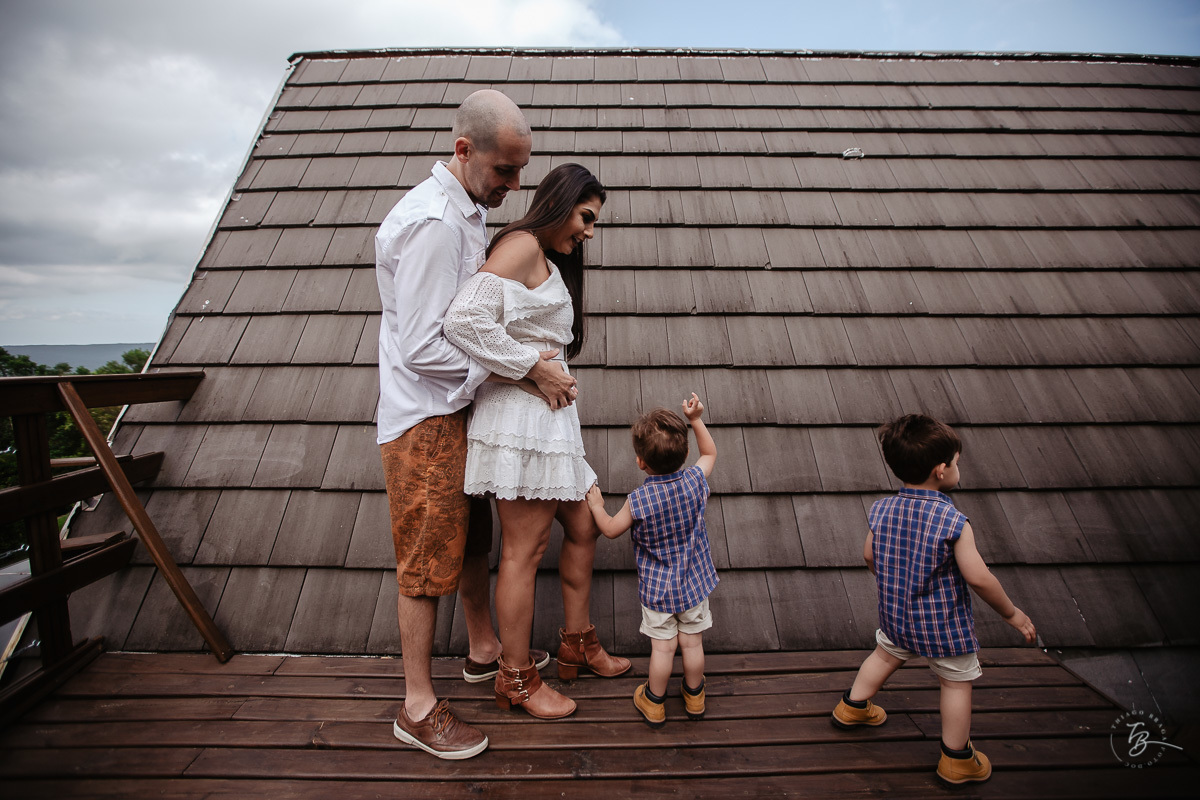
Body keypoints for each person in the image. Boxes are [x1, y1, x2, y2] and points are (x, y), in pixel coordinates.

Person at [375, 89, 575, 759]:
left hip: (452, 411)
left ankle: (484, 648)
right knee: (427, 562)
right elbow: (427, 347)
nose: (514, 187)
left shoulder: (465, 210)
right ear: (464, 151)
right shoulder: (434, 222)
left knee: (469, 544)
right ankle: (418, 706)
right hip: (425, 417)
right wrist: (521, 370)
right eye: (504, 172)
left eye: (521, 171)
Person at [443, 162, 630, 720]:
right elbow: (464, 320)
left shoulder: (547, 259)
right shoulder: (523, 244)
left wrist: (542, 375)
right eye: (586, 217)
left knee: (580, 525)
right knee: (524, 552)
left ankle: (577, 641)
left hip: (549, 422)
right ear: (562, 202)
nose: (589, 233)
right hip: (520, 423)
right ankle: (517, 679)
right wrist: (531, 369)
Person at [830, 414, 1037, 785]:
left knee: (884, 654)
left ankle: (852, 707)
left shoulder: (883, 509)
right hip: (942, 626)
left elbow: (869, 555)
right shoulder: (953, 521)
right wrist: (1013, 614)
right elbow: (978, 577)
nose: (959, 468)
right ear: (941, 470)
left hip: (896, 615)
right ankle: (957, 759)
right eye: (956, 463)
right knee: (956, 683)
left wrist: (894, 580)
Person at [586, 394, 719, 728]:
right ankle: (694, 696)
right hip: (694, 583)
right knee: (692, 644)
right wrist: (696, 418)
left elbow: (611, 530)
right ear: (685, 453)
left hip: (659, 591)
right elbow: (710, 453)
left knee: (663, 651)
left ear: (640, 462)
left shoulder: (639, 500)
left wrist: (596, 505)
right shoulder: (694, 480)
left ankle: (655, 702)